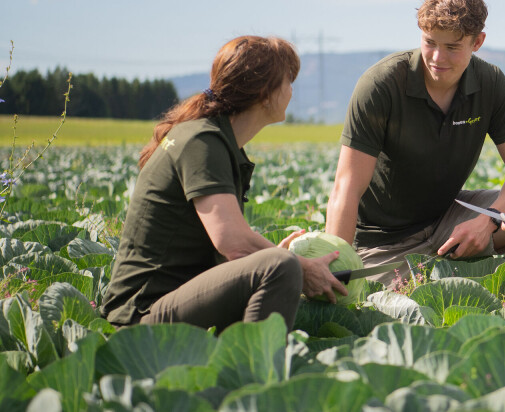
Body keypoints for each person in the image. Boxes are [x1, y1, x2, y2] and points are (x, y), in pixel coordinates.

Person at [101, 36, 347, 332]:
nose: (292, 91)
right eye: (287, 81)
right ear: (265, 93)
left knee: (277, 263)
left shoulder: (216, 141)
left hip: (171, 301)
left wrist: (271, 255)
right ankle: (252, 373)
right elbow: (232, 242)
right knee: (280, 267)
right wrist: (296, 266)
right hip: (140, 314)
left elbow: (222, 249)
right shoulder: (201, 141)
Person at [325, 0, 505, 284]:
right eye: (430, 43)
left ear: (477, 42)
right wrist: (336, 268)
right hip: (384, 241)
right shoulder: (381, 85)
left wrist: (487, 221)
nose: (438, 58)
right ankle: (469, 276)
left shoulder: (490, 82)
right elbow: (346, 187)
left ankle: (484, 279)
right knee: (390, 302)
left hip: (448, 218)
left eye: (452, 47)